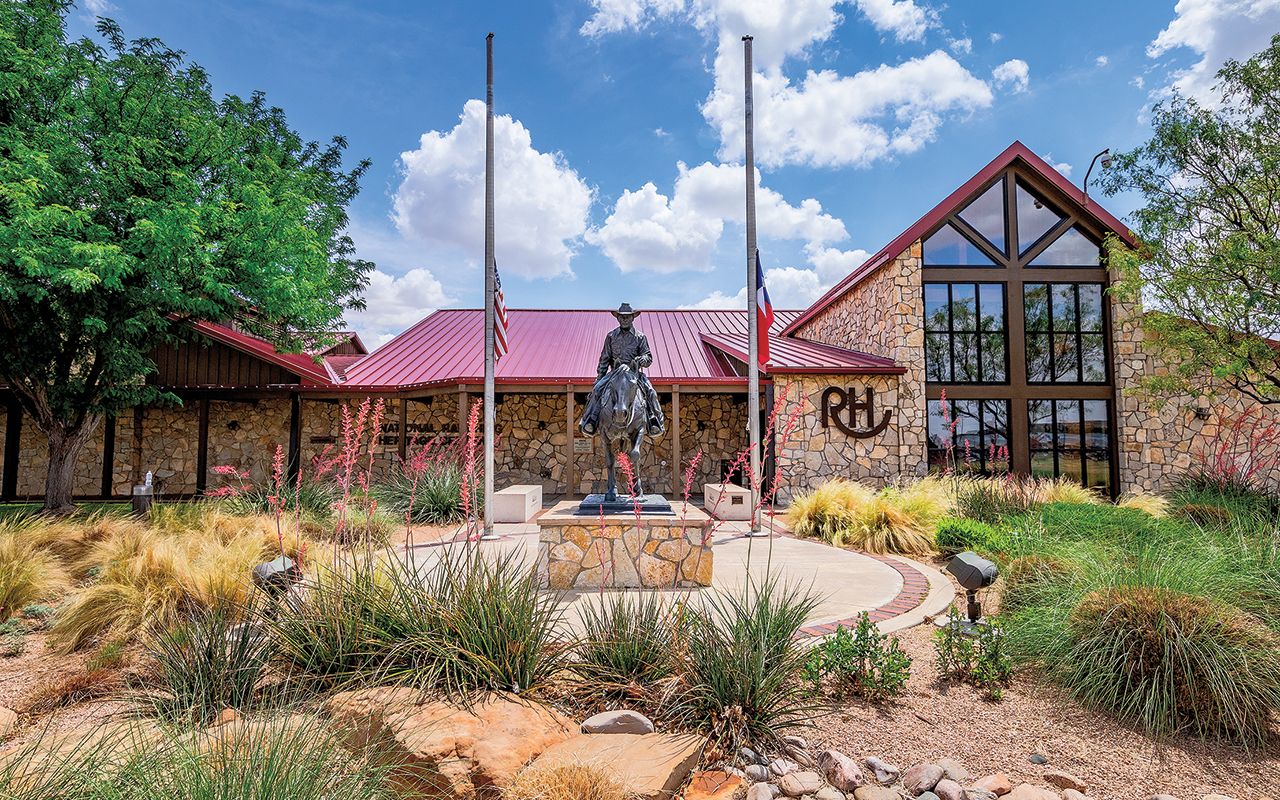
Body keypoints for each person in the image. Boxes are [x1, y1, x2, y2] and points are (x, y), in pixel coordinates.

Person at [580, 303, 665, 437]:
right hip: (615, 373)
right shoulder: (611, 336)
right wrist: (600, 377)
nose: (624, 320)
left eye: (627, 317)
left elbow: (648, 357)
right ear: (618, 318)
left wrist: (643, 359)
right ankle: (590, 420)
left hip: (634, 374)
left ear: (632, 318)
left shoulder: (640, 337)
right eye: (621, 317)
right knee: (597, 389)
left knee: (650, 391)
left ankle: (655, 421)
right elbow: (605, 358)